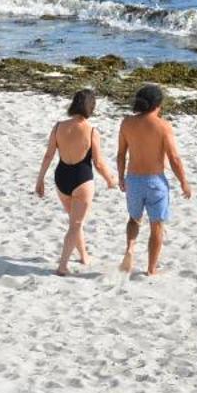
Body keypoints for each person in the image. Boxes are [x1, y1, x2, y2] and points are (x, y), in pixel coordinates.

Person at [34, 88, 118, 276]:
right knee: (76, 224)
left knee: (75, 222)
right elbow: (98, 162)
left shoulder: (58, 127)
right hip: (82, 180)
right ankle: (62, 266)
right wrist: (110, 179)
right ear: (91, 107)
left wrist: (39, 181)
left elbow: (48, 156)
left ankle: (84, 256)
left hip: (61, 178)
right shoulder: (91, 131)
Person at [115, 82, 192, 277]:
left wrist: (121, 177)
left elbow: (121, 154)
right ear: (157, 105)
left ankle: (130, 249)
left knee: (133, 218)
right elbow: (174, 158)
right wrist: (183, 181)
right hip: (155, 181)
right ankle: (151, 269)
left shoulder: (127, 123)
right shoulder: (163, 126)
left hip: (133, 179)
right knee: (156, 224)